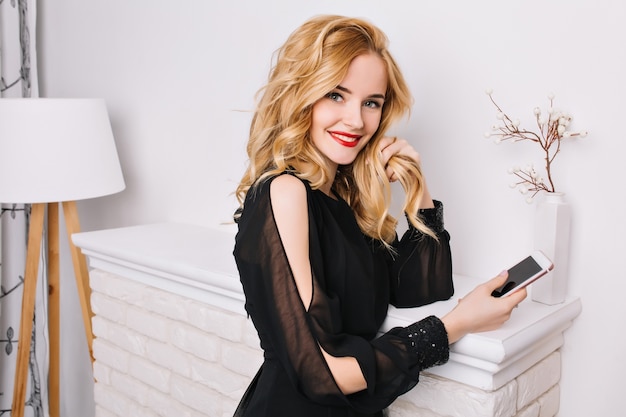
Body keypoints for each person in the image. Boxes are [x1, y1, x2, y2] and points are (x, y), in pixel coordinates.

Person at [232, 14, 526, 417]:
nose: (356, 120)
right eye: (336, 95)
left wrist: (418, 188)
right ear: (300, 95)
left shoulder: (343, 197)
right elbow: (322, 373)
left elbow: (420, 290)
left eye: (371, 102)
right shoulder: (285, 192)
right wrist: (458, 324)